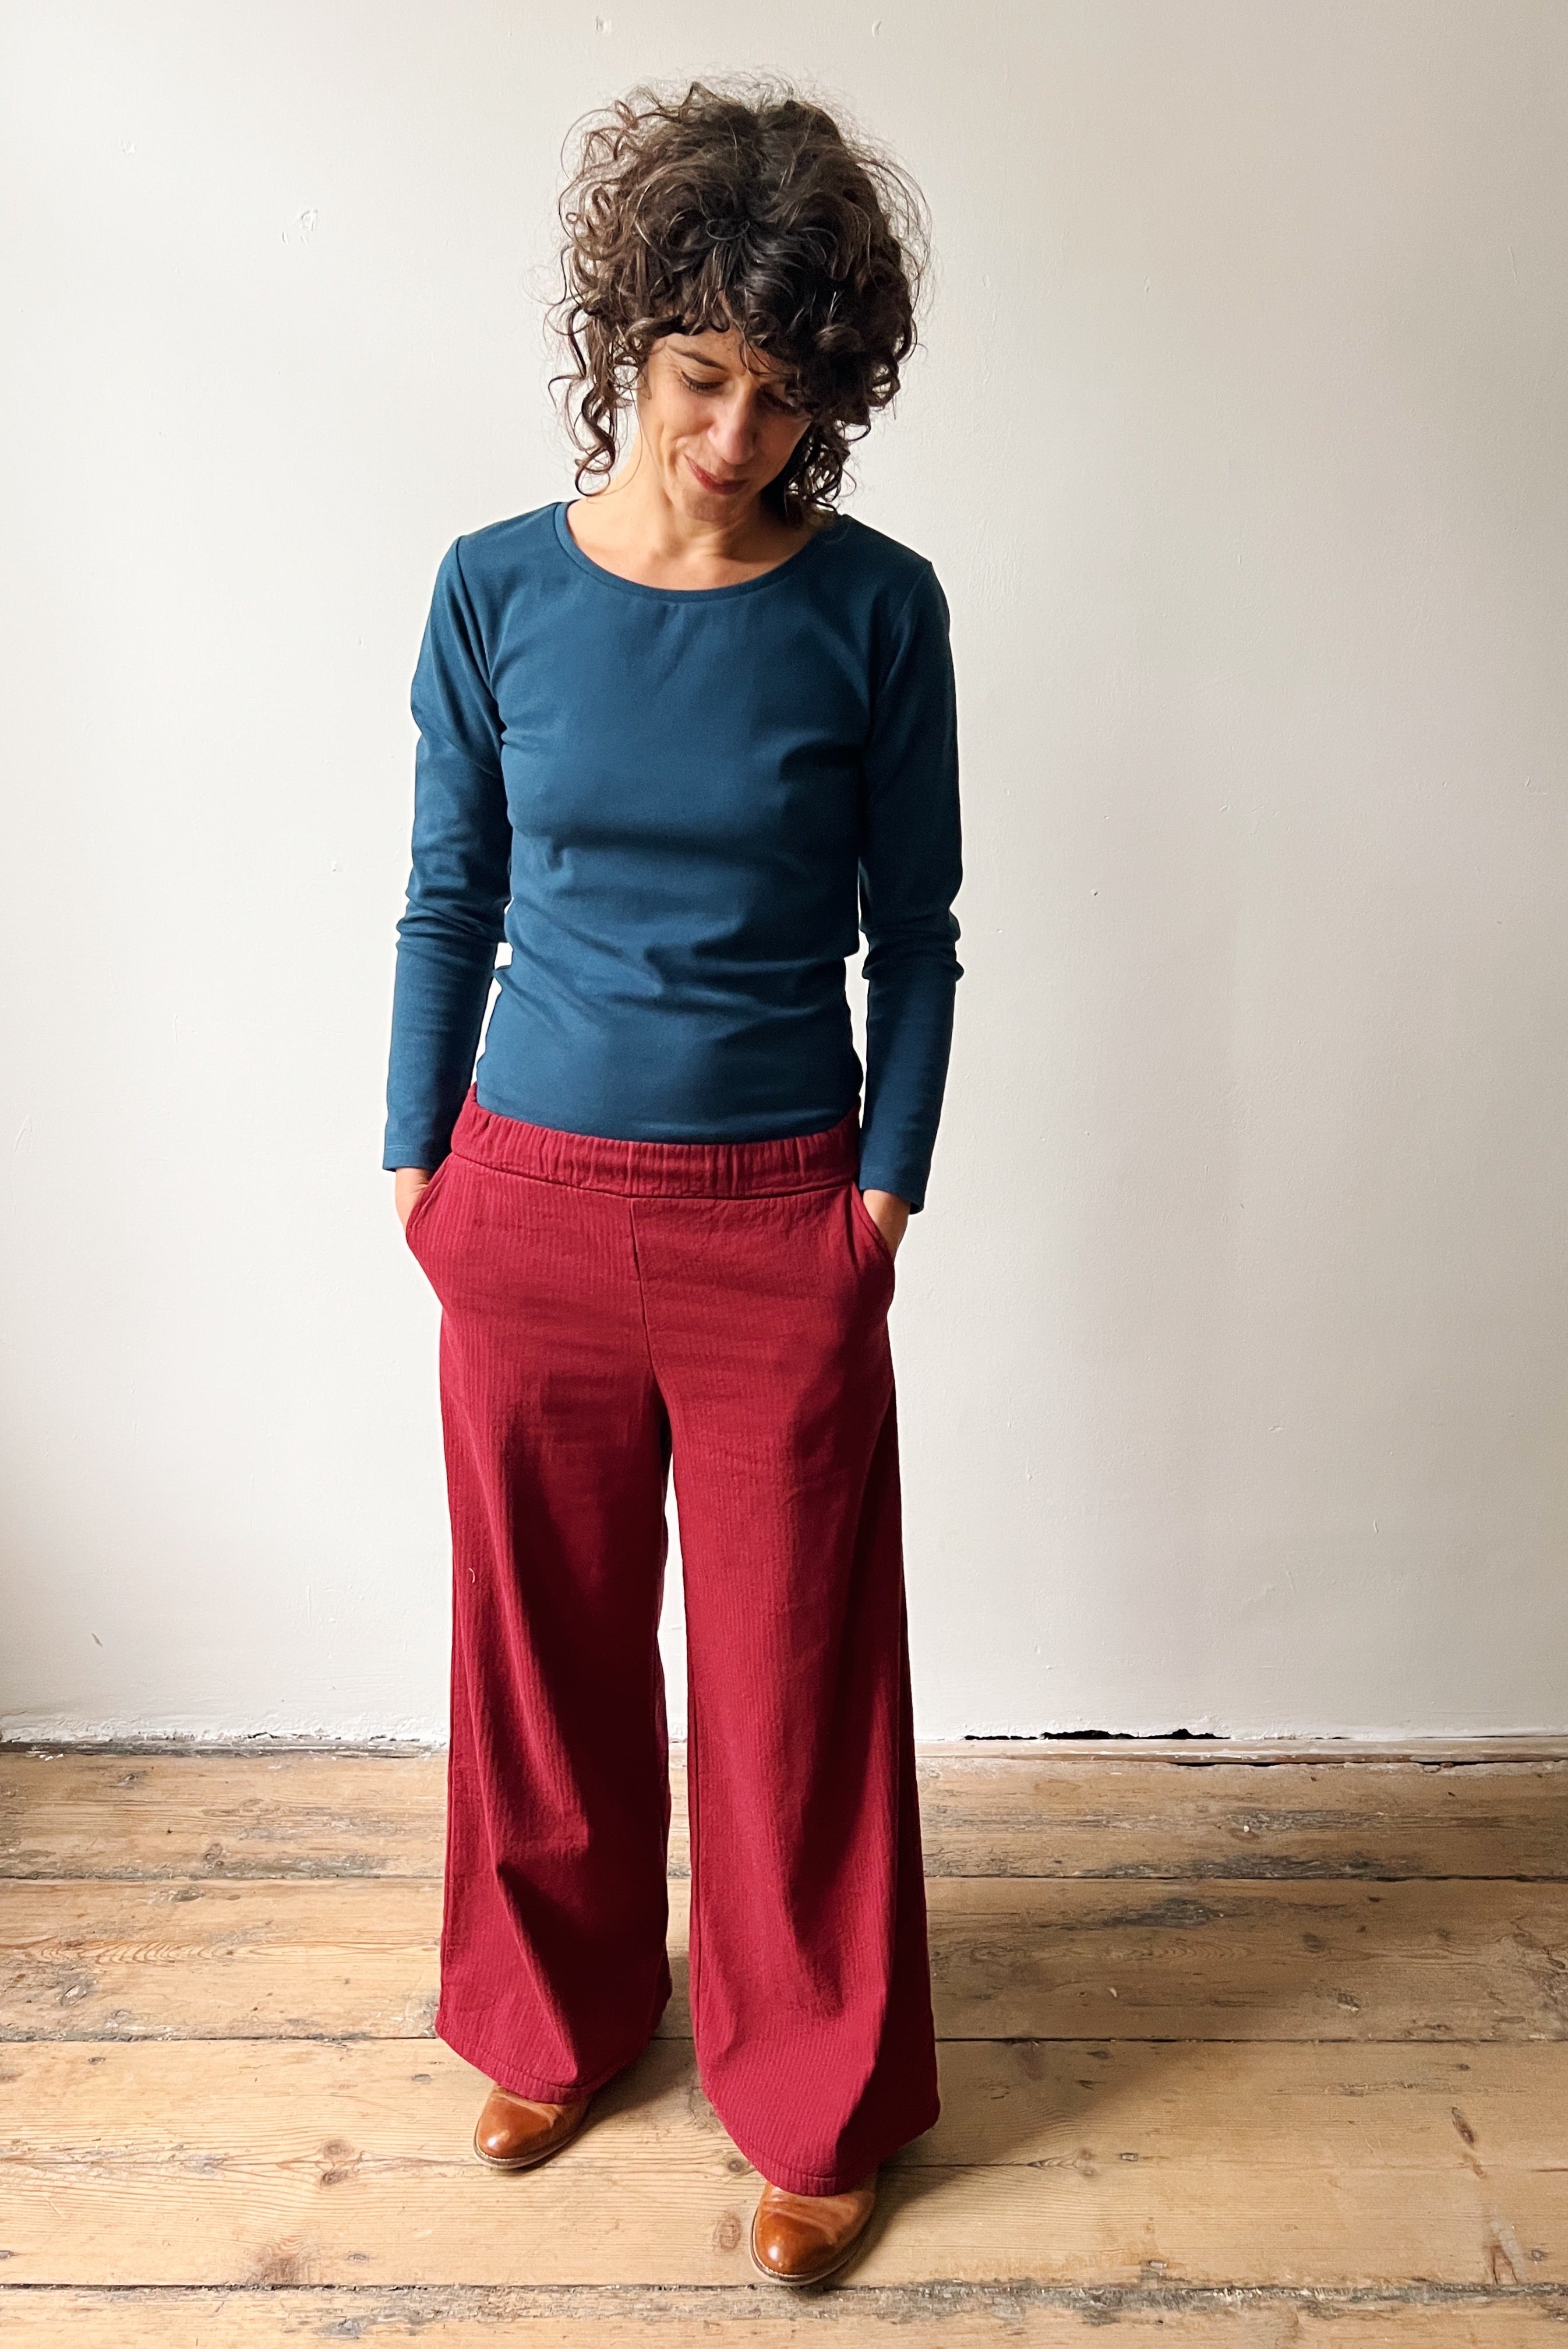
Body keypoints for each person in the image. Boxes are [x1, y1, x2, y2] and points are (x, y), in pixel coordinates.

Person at [384, 78, 963, 2287]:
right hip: (517, 1201)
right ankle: (553, 2014)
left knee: (796, 1683)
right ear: (629, 339)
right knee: (537, 1653)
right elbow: (448, 898)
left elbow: (912, 935)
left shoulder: (876, 612)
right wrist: (417, 1165)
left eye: (787, 397)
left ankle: (814, 2101)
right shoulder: (494, 590)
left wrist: (879, 1199)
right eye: (703, 377)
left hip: (776, 1219)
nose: (734, 434)